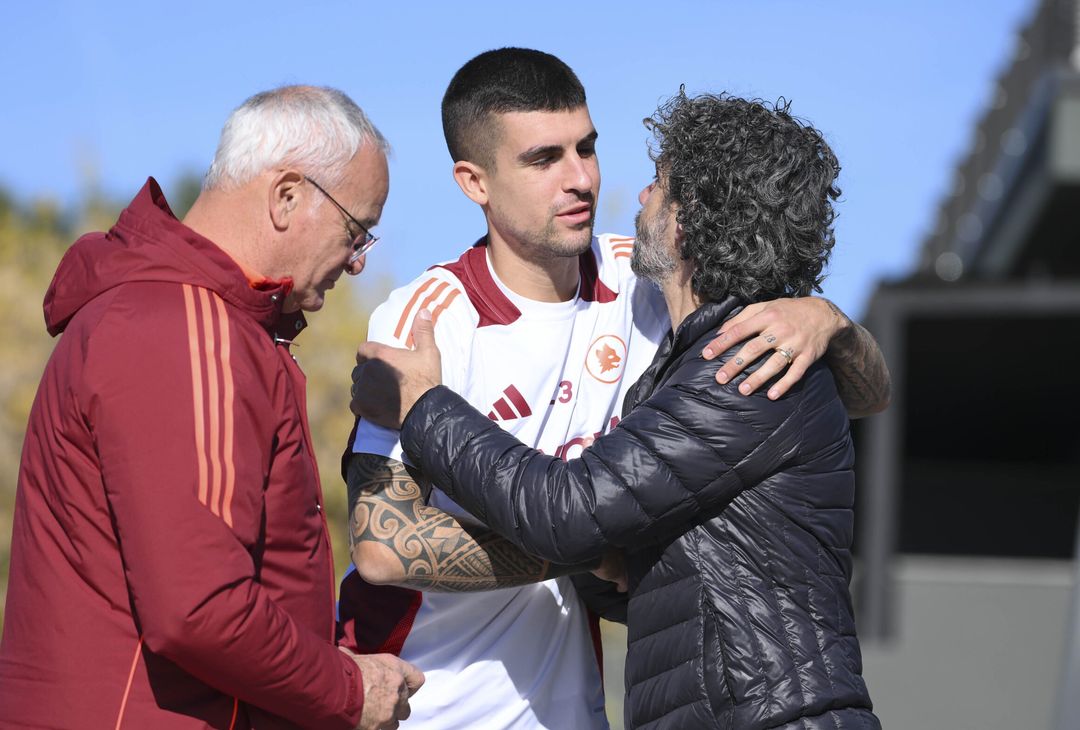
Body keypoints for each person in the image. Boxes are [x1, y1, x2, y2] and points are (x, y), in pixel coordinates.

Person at [339, 49, 888, 729]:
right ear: (474, 181)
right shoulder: (425, 320)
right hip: (430, 702)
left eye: (588, 148)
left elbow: (858, 395)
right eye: (544, 159)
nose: (582, 180)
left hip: (574, 710)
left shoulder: (653, 280)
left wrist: (829, 322)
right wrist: (596, 548)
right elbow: (382, 549)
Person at [0, 86, 422, 730]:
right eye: (356, 230)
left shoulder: (192, 320)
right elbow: (198, 607)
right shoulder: (183, 326)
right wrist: (346, 689)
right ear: (286, 197)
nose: (359, 261)